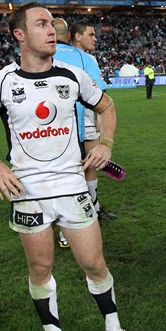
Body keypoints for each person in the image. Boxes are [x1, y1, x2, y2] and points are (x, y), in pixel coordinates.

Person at [0, 3, 140, 331]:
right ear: (20, 35)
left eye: (51, 25)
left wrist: (105, 143)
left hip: (73, 186)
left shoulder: (73, 76)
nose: (51, 31)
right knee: (40, 268)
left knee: (93, 263)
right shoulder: (1, 82)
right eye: (41, 24)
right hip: (27, 192)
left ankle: (114, 328)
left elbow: (107, 107)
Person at [54, 19, 115, 249]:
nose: (95, 38)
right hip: (83, 119)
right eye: (91, 34)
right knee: (86, 166)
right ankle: (86, 214)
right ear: (74, 35)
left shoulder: (43, 53)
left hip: (53, 126)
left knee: (66, 173)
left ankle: (69, 225)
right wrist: (103, 126)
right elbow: (102, 97)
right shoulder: (84, 59)